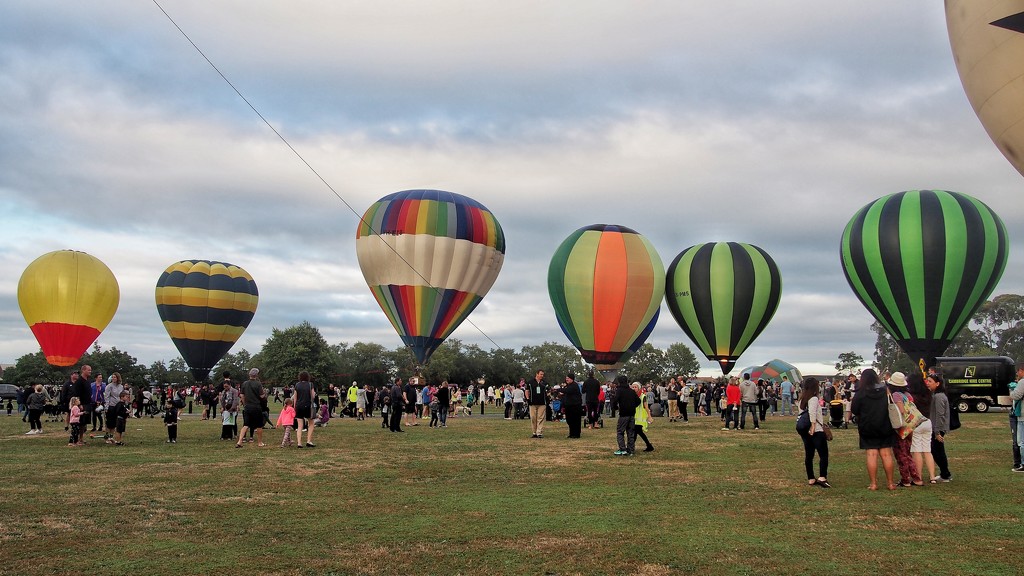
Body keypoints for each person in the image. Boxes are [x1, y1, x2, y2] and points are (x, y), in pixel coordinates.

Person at [851, 369, 896, 490]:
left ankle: (873, 484)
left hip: (867, 426)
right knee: (886, 455)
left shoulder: (860, 393)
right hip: (885, 425)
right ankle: (891, 483)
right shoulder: (885, 390)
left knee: (871, 454)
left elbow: (854, 410)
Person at [889, 373, 924, 487]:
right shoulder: (908, 394)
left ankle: (905, 479)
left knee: (901, 454)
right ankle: (916, 477)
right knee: (908, 453)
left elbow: (901, 411)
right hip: (911, 426)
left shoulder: (896, 395)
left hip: (901, 427)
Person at [797, 378, 830, 488]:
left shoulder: (802, 399)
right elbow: (812, 412)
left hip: (805, 431)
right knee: (823, 454)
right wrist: (813, 425)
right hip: (816, 430)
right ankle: (822, 477)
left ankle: (811, 478)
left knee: (809, 455)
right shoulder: (814, 399)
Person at [908, 373, 937, 484]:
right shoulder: (928, 393)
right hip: (927, 421)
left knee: (917, 451)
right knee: (927, 450)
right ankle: (932, 476)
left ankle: (918, 476)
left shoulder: (911, 396)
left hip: (916, 422)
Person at [926, 374, 952, 482]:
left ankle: (945, 474)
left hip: (938, 428)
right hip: (936, 427)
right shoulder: (935, 395)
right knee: (937, 450)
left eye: (930, 381)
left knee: (938, 451)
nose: (928, 383)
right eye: (927, 381)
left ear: (937, 383)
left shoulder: (939, 396)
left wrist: (937, 432)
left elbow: (940, 415)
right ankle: (944, 473)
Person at [236, 368, 267, 448]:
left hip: (247, 407)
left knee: (246, 424)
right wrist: (265, 393)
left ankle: (240, 441)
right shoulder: (258, 384)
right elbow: (261, 396)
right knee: (259, 425)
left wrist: (245, 403)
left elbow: (242, 395)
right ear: (256, 375)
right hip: (256, 406)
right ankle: (260, 442)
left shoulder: (245, 383)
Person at [613, 376, 640, 456]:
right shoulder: (631, 391)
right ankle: (631, 450)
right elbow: (638, 401)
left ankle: (622, 449)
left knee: (620, 432)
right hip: (632, 414)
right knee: (630, 432)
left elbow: (615, 401)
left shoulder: (619, 390)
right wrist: (632, 406)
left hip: (624, 414)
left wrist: (616, 408)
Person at [294, 371, 317, 446]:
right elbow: (313, 396)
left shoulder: (297, 385)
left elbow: (295, 397)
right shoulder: (310, 384)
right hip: (308, 405)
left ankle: (299, 443)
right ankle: (309, 441)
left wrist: (295, 407)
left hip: (298, 406)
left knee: (300, 425)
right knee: (311, 423)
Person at [631, 382, 655, 452]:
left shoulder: (643, 396)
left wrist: (649, 416)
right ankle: (649, 445)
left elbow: (646, 407)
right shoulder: (633, 396)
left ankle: (631, 447)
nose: (634, 388)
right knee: (638, 432)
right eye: (633, 387)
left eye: (635, 387)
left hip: (641, 417)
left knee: (636, 432)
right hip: (635, 417)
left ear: (639, 388)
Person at [526, 370, 549, 438]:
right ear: (537, 374)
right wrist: (527, 399)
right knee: (533, 417)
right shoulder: (530, 382)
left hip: (542, 403)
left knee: (540, 417)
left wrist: (547, 398)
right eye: (541, 374)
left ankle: (539, 432)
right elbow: (527, 391)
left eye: (542, 374)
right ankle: (534, 432)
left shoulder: (544, 383)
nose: (542, 376)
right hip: (533, 403)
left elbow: (548, 391)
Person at [103, 374, 125, 441]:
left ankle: (112, 436)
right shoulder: (109, 386)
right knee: (109, 422)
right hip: (111, 406)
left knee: (115, 422)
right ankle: (108, 436)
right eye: (112, 377)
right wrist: (107, 407)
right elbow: (106, 397)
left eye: (115, 377)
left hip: (118, 406)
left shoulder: (121, 387)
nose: (113, 378)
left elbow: (122, 396)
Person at [1011, 364, 1024, 472]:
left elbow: (1016, 396)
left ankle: (1023, 464)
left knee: (1021, 441)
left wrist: (1012, 390)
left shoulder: (1022, 382)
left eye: (1018, 371)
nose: (1017, 373)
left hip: (1022, 415)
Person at [562, 374, 583, 439]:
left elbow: (567, 391)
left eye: (568, 378)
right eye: (566, 378)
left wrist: (558, 389)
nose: (566, 379)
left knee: (575, 420)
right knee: (569, 420)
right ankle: (571, 433)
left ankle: (576, 434)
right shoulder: (569, 385)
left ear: (572, 379)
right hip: (569, 406)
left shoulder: (574, 385)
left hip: (575, 406)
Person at [220, 374, 239, 440]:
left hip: (232, 409)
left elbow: (235, 400)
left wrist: (232, 408)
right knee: (224, 423)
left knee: (231, 423)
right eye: (224, 386)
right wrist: (222, 407)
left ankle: (230, 435)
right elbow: (222, 400)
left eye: (226, 386)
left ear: (230, 385)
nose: (225, 388)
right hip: (225, 409)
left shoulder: (234, 391)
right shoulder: (223, 392)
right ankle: (224, 435)